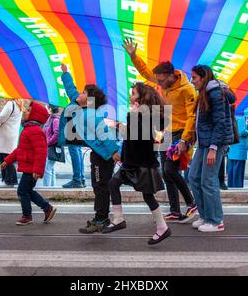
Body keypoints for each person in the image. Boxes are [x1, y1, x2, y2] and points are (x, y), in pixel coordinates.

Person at [123, 38, 197, 222]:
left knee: (170, 170)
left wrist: (185, 140)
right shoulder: (163, 82)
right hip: (167, 133)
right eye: (159, 81)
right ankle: (175, 210)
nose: (159, 84)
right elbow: (146, 72)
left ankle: (191, 203)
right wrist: (133, 56)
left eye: (162, 80)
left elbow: (192, 117)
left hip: (181, 134)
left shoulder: (187, 90)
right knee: (166, 172)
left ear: (172, 75)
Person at [106, 82, 171, 244]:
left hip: (140, 162)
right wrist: (120, 125)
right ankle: (120, 218)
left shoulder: (144, 114)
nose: (130, 96)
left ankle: (162, 227)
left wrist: (132, 117)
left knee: (147, 196)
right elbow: (133, 134)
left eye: (133, 93)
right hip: (133, 161)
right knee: (114, 184)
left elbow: (141, 138)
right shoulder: (142, 113)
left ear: (141, 98)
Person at [59, 63, 120, 234]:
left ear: (90, 99)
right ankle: (102, 217)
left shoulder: (90, 114)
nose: (79, 93)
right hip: (98, 154)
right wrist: (65, 73)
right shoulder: (80, 107)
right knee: (98, 185)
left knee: (101, 186)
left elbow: (104, 133)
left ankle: (101, 218)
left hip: (104, 156)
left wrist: (114, 151)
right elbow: (71, 90)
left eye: (84, 93)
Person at [187, 65, 235, 232]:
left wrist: (213, 148)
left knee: (208, 180)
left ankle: (216, 221)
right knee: (193, 177)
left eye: (194, 78)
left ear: (203, 77)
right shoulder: (204, 93)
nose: (192, 81)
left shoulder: (215, 94)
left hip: (215, 143)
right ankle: (205, 215)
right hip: (204, 142)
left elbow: (220, 123)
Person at [1, 101, 57, 225]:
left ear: (35, 115)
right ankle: (47, 208)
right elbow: (20, 149)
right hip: (28, 167)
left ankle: (27, 216)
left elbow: (41, 152)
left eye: (28, 110)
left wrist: (37, 170)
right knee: (28, 190)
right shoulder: (28, 129)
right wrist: (7, 160)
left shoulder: (35, 131)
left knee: (22, 191)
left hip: (31, 169)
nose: (25, 111)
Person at [0, 99, 23, 186]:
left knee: (4, 157)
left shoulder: (10, 104)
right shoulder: (18, 104)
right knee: (8, 157)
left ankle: (8, 180)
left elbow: (2, 117)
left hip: (6, 134)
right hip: (11, 134)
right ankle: (9, 180)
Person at [227, 116, 248, 188]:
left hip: (232, 148)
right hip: (239, 149)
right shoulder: (241, 117)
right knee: (238, 175)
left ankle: (231, 191)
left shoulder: (232, 115)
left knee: (231, 173)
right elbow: (241, 131)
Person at [43, 105, 61, 187]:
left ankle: (46, 189)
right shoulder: (49, 119)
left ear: (50, 109)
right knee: (51, 169)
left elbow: (57, 133)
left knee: (47, 169)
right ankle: (52, 188)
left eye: (46, 107)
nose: (45, 109)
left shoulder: (55, 120)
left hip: (51, 148)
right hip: (48, 148)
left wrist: (49, 142)